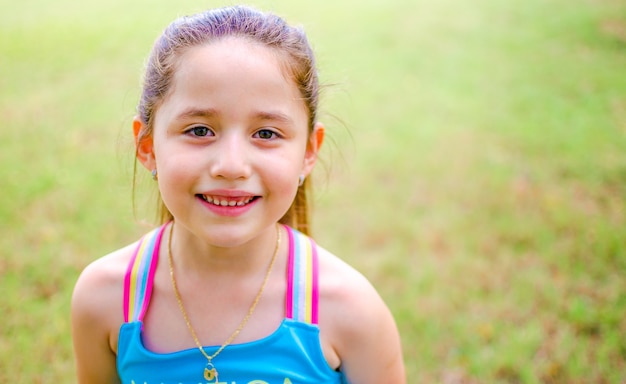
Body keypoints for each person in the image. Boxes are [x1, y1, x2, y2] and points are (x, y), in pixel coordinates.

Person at [71, 5, 405, 384]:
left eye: (266, 134)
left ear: (309, 152)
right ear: (147, 146)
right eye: (199, 130)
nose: (231, 165)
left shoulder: (351, 311)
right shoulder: (105, 298)